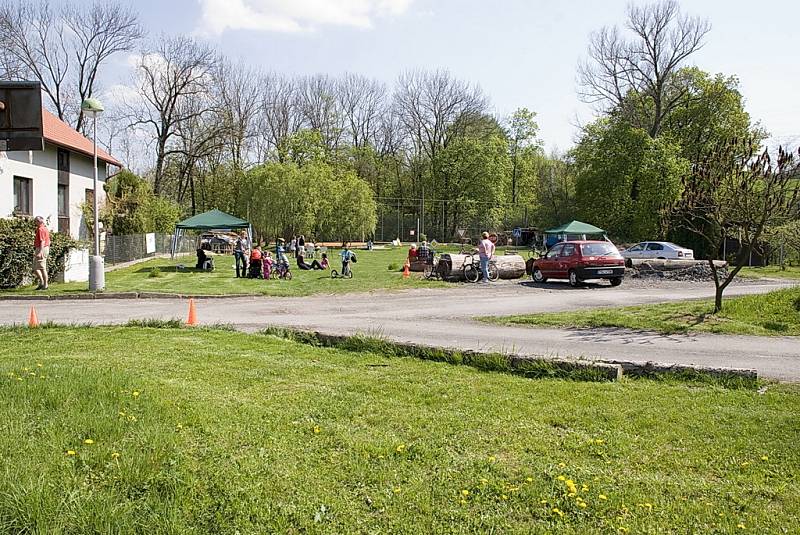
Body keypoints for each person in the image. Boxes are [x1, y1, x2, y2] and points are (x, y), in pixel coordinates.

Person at [33, 216, 51, 290]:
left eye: (36, 221)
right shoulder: (45, 229)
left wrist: (40, 252)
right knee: (36, 267)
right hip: (44, 248)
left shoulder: (41, 229)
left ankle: (44, 284)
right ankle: (42, 282)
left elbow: (42, 241)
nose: (35, 223)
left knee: (41, 267)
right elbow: (49, 241)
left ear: (39, 221)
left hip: (41, 249)